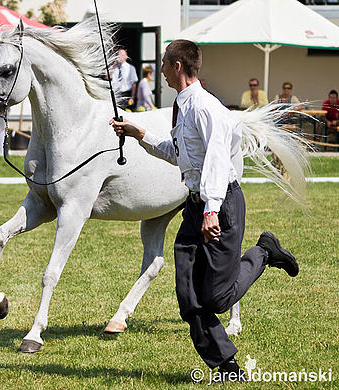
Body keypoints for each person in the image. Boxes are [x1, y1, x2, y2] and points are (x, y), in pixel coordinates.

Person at [110, 39, 299, 382]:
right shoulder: (184, 108)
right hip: (196, 209)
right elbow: (179, 152)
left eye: (165, 62)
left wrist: (212, 210)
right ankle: (227, 367)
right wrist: (140, 134)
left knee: (218, 298)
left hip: (221, 205)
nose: (162, 69)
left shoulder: (204, 108)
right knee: (189, 298)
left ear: (177, 66)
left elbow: (215, 160)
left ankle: (264, 252)